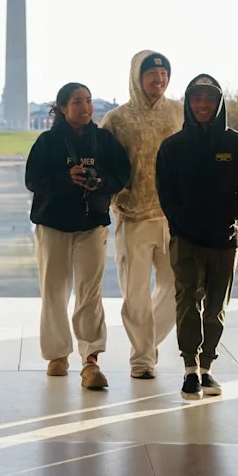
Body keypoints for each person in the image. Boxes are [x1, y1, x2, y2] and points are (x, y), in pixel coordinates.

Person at [25, 83, 131, 390]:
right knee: (54, 292)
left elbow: (123, 175)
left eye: (87, 101)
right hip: (53, 225)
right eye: (77, 102)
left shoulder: (104, 140)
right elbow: (33, 180)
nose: (85, 107)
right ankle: (57, 355)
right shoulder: (48, 142)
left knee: (90, 292)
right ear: (61, 107)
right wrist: (65, 178)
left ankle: (90, 359)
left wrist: (101, 183)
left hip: (92, 223)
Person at [156, 74, 238, 400]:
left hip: (225, 240)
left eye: (209, 99)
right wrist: (179, 222)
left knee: (215, 307)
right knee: (187, 301)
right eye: (197, 99)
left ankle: (207, 368)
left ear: (218, 103)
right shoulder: (172, 147)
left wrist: (237, 220)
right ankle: (189, 369)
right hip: (185, 238)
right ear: (188, 103)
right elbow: (165, 192)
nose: (202, 105)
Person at [100, 50, 183, 379]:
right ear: (137, 75)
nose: (158, 79)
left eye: (163, 74)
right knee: (134, 294)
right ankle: (142, 359)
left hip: (172, 216)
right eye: (151, 73)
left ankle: (147, 343)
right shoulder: (116, 119)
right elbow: (104, 163)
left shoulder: (179, 113)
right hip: (132, 217)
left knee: (177, 288)